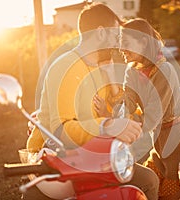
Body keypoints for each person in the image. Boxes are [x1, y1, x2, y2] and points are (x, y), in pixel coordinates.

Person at [26, 3, 159, 200]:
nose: (118, 42)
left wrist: (113, 84)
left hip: (93, 156)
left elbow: (117, 112)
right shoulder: (64, 67)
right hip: (56, 160)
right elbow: (61, 131)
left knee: (149, 180)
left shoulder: (102, 67)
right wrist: (108, 125)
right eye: (115, 35)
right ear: (101, 33)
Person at [107, 18, 180, 200]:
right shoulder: (132, 71)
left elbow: (153, 115)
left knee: (167, 194)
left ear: (143, 42)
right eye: (120, 43)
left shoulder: (164, 71)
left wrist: (124, 132)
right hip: (159, 141)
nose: (121, 48)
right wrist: (113, 116)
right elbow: (127, 101)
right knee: (145, 185)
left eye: (126, 43)